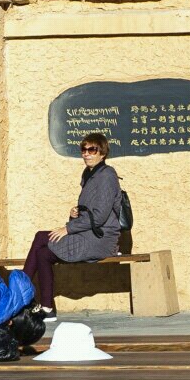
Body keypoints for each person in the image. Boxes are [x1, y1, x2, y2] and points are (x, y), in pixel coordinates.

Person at [22, 132, 123, 322]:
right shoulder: (89, 174)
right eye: (83, 150)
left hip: (101, 238)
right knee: (43, 254)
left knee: (41, 236)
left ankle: (18, 295)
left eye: (91, 150)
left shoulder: (107, 175)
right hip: (87, 234)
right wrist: (74, 213)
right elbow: (91, 212)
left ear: (102, 152)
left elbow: (100, 217)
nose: (86, 154)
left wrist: (68, 228)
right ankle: (47, 308)